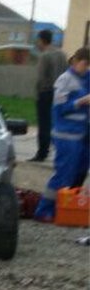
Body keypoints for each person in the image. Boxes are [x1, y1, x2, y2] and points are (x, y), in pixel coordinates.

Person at [34, 47, 90, 222]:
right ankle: (44, 210)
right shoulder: (64, 80)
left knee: (78, 173)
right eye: (85, 64)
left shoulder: (86, 78)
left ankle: (65, 208)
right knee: (64, 173)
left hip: (82, 135)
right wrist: (80, 102)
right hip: (66, 135)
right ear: (76, 60)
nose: (87, 68)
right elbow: (59, 109)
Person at [28, 29, 69, 162]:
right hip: (61, 92)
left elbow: (41, 77)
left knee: (44, 123)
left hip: (46, 92)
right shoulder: (62, 54)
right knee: (58, 122)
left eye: (38, 40)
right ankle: (62, 151)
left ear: (41, 40)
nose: (37, 43)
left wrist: (38, 92)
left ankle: (42, 152)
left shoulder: (45, 56)